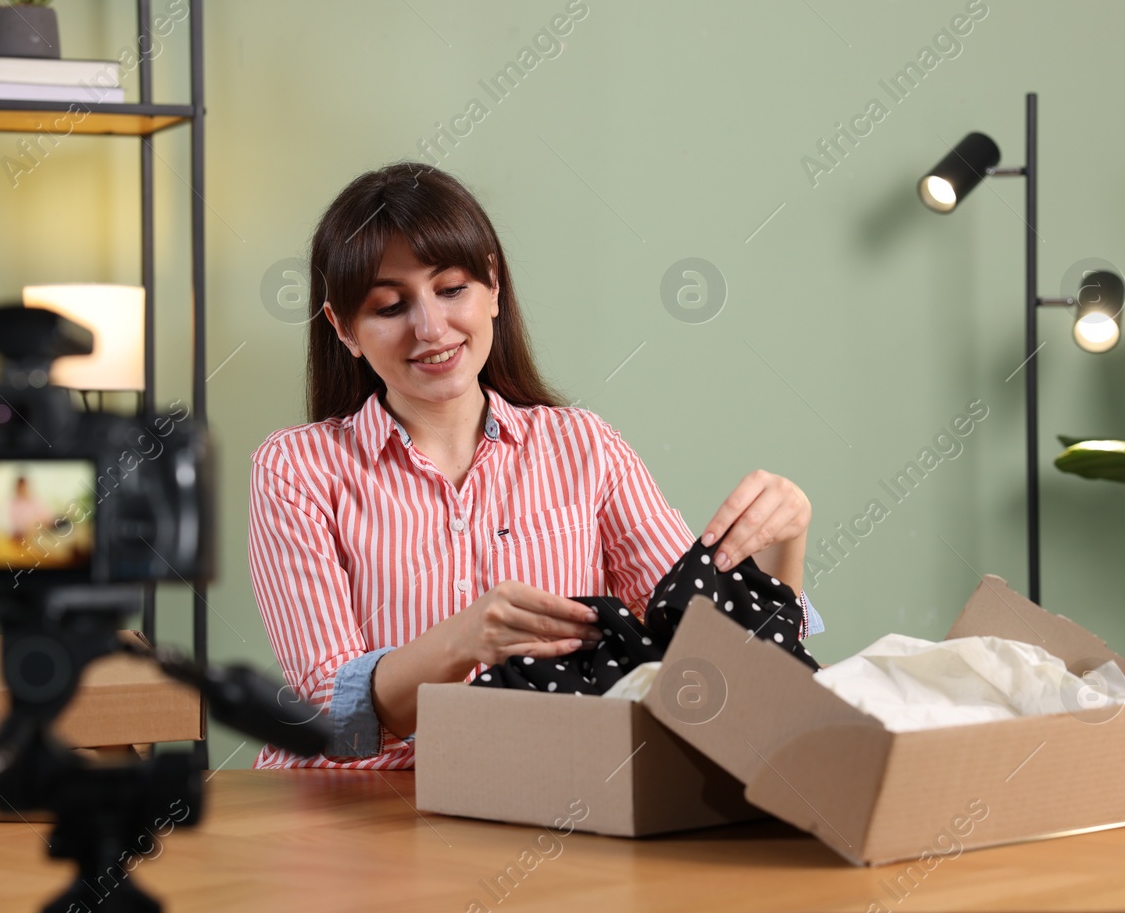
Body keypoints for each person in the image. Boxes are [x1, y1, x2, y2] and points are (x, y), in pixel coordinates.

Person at [249, 164, 822, 770]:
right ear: (344, 328)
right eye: (390, 306)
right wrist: (461, 641)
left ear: (493, 285)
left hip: (539, 795)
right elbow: (327, 712)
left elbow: (705, 652)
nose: (431, 327)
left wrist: (786, 546)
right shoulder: (297, 468)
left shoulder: (584, 448)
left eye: (451, 290)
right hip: (357, 814)